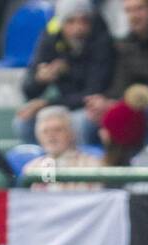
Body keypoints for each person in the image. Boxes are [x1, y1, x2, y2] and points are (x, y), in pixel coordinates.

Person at [80, 0, 148, 144]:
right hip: (131, 106)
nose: (134, 16)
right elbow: (119, 87)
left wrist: (119, 105)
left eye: (139, 9)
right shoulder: (127, 44)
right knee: (89, 122)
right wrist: (104, 102)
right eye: (129, 11)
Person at [15, 0, 115, 144]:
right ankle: (41, 164)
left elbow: (92, 93)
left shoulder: (102, 41)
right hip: (63, 105)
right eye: (71, 21)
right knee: (24, 121)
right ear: (61, 23)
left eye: (84, 21)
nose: (78, 28)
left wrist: (47, 104)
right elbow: (28, 90)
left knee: (81, 122)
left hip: (91, 107)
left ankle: (79, 163)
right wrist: (39, 80)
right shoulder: (51, 39)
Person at [21, 104, 102, 189]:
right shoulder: (31, 168)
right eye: (45, 131)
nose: (51, 135)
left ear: (72, 133)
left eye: (57, 130)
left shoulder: (92, 165)